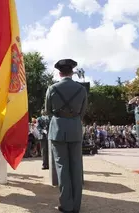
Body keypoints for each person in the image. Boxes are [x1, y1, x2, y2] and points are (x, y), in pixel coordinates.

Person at [45, 59, 87, 213]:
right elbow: (82, 111)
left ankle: (66, 204)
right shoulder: (81, 89)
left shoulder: (52, 88)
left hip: (58, 130)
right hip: (75, 128)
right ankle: (76, 205)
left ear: (59, 72)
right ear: (72, 71)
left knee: (62, 167)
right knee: (76, 167)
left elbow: (48, 110)